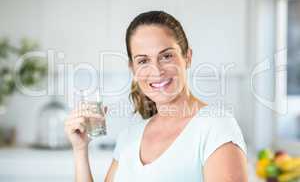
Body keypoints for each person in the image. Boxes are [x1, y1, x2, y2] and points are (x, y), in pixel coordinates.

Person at [64, 11, 248, 182]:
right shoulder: (129, 138)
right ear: (133, 69)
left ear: (188, 57)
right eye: (143, 61)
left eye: (166, 56)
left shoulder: (215, 127)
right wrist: (80, 150)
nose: (157, 70)